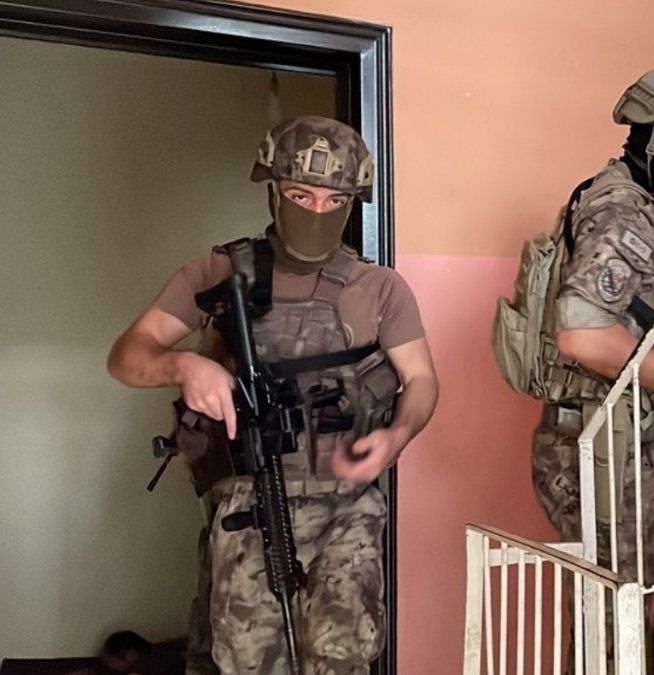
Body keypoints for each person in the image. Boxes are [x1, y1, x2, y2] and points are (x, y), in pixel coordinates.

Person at [107, 116, 438, 674]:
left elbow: (422, 380)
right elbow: (126, 356)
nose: (317, 211)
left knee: (344, 658)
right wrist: (182, 365)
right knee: (250, 661)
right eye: (301, 195)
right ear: (273, 190)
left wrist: (398, 436)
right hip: (251, 504)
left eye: (335, 200)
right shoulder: (216, 272)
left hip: (347, 509)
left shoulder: (380, 288)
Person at [528, 65, 654, 673]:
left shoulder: (648, 213)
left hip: (637, 442)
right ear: (645, 130)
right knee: (613, 616)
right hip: (596, 446)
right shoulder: (621, 209)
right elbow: (582, 334)